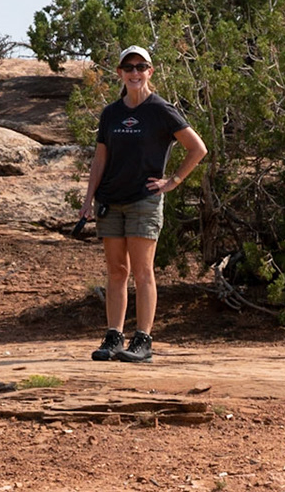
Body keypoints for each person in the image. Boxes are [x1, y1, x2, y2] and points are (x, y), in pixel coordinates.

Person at [79, 45, 207, 363]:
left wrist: (172, 182)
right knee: (117, 271)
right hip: (110, 200)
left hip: (143, 202)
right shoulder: (111, 113)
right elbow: (99, 159)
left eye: (141, 67)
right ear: (120, 73)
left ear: (150, 71)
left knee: (143, 271)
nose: (135, 73)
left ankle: (143, 341)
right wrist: (87, 200)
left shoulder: (161, 110)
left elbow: (197, 148)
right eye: (129, 67)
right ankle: (113, 336)